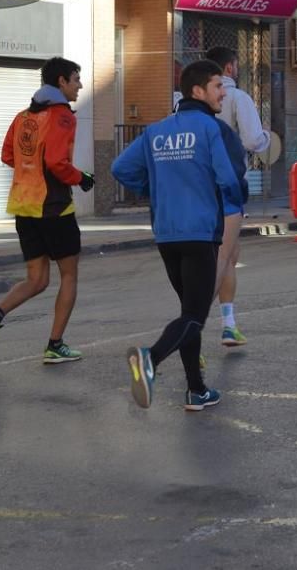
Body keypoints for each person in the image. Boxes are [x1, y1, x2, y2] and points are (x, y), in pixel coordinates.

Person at [112, 59, 245, 412]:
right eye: (219, 86)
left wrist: (153, 190)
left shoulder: (156, 131)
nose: (222, 93)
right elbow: (228, 178)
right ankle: (149, 358)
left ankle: (196, 390)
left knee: (189, 313)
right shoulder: (208, 128)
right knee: (194, 316)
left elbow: (119, 168)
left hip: (167, 234)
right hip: (200, 231)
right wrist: (231, 200)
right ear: (198, 91)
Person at [0, 57, 94, 365]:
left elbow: (7, 155)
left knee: (37, 279)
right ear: (61, 82)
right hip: (54, 207)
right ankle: (55, 344)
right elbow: (56, 162)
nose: (80, 85)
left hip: (23, 208)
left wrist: (31, 172)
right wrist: (81, 179)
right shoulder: (62, 116)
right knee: (69, 276)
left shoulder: (23, 116)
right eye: (76, 79)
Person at [204, 46, 271, 347]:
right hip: (227, 185)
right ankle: (196, 325)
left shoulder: (186, 102)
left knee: (227, 255)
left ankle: (227, 323)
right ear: (229, 68)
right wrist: (268, 138)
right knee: (224, 256)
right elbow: (253, 140)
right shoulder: (238, 97)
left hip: (196, 187)